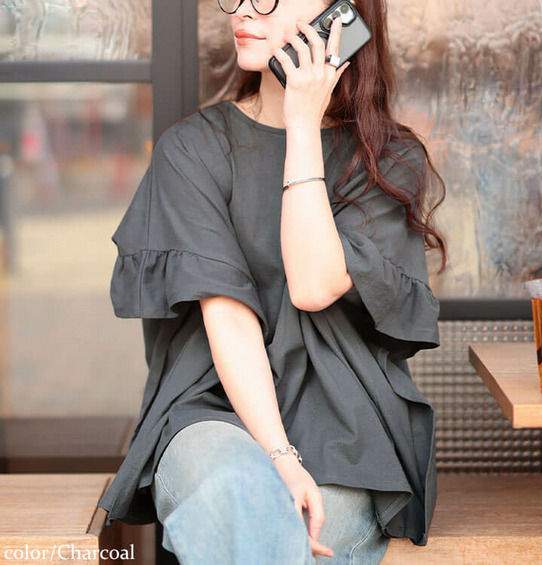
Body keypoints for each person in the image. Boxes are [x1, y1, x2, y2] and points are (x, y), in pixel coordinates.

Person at [98, 0, 447, 563]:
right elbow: (229, 319)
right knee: (237, 498)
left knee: (292, 540)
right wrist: (280, 455)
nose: (242, 9)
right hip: (214, 413)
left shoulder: (388, 158)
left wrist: (302, 125)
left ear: (339, 12)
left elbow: (312, 284)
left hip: (346, 430)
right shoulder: (193, 147)